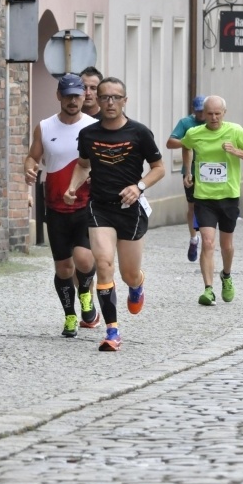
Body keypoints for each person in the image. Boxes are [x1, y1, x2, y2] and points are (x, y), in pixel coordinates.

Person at [64, 77, 165, 352]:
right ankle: (112, 332)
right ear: (96, 99)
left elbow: (159, 167)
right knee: (104, 263)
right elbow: (83, 165)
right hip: (100, 208)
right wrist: (72, 186)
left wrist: (139, 186)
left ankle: (137, 284)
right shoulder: (88, 134)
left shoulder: (139, 133)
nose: (110, 102)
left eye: (115, 97)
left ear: (124, 100)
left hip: (130, 210)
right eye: (104, 97)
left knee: (128, 273)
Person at [23, 74, 100, 338]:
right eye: (67, 96)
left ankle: (86, 293)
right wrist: (29, 171)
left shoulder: (93, 127)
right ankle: (70, 316)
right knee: (64, 268)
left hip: (86, 204)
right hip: (55, 206)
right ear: (59, 96)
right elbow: (33, 157)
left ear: (84, 97)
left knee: (84, 259)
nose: (72, 101)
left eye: (77, 96)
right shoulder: (45, 127)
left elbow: (105, 163)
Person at [181, 95, 243, 306]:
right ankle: (208, 289)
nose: (213, 118)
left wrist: (236, 151)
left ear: (224, 113)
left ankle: (227, 275)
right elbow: (185, 146)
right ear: (203, 114)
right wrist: (188, 171)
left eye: (217, 113)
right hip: (204, 197)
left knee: (227, 245)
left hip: (229, 196)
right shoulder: (195, 133)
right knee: (207, 242)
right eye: (209, 114)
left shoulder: (235, 131)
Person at [166, 95, 206, 260]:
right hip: (190, 171)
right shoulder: (186, 123)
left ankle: (207, 240)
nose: (202, 115)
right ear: (193, 110)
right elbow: (170, 143)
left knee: (206, 208)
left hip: (209, 171)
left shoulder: (214, 122)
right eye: (199, 112)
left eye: (204, 111)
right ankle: (194, 238)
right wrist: (188, 141)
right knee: (192, 207)